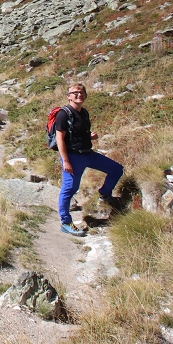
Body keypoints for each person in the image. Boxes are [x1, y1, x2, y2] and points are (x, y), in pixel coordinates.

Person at [54, 83, 123, 237]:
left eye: (82, 92)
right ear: (68, 96)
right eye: (75, 92)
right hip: (73, 158)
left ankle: (104, 194)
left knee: (116, 170)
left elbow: (78, 133)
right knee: (69, 189)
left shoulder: (83, 112)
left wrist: (90, 136)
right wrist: (65, 161)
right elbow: (60, 139)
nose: (79, 95)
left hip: (88, 154)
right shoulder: (63, 114)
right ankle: (65, 222)